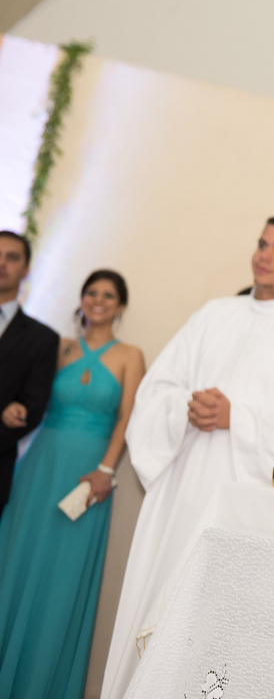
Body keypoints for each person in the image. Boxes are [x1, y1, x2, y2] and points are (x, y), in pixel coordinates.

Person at [101, 214, 274, 699]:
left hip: (242, 511)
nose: (264, 255)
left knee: (206, 628)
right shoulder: (214, 314)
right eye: (262, 244)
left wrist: (240, 417)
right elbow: (156, 393)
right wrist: (184, 408)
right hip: (182, 490)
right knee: (154, 604)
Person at [0, 270, 143, 698]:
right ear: (81, 300)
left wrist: (107, 470)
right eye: (92, 292)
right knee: (16, 560)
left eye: (108, 295)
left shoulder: (130, 355)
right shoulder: (56, 347)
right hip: (40, 466)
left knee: (61, 576)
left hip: (89, 475)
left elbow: (127, 418)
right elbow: (33, 396)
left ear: (120, 305)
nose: (98, 300)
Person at [0, 230, 60, 513]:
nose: (2, 264)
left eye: (12, 258)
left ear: (26, 270)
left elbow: (32, 409)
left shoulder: (42, 339)